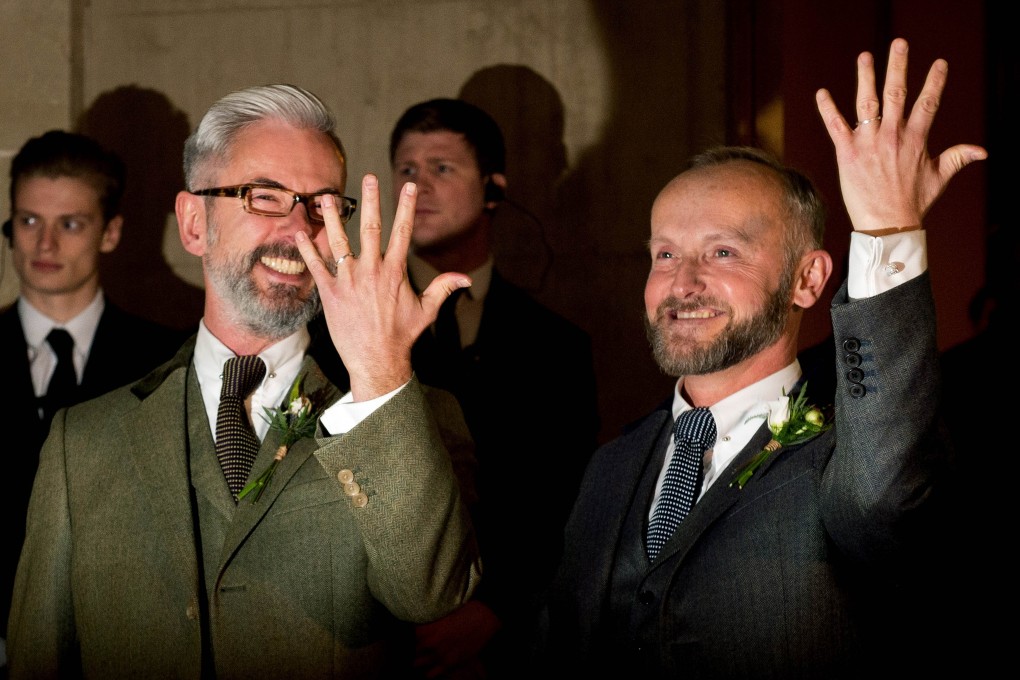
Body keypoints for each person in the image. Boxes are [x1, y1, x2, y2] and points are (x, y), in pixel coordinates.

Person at [538, 38, 986, 677]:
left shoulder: (849, 456)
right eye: (664, 254)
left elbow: (886, 492)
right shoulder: (611, 466)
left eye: (722, 252)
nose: (682, 282)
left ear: (807, 280)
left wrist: (887, 228)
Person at [6, 84, 481, 679]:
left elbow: (430, 594)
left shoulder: (413, 415)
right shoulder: (82, 443)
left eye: (323, 205)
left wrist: (381, 374)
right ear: (193, 223)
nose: (299, 230)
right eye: (265, 197)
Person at [388, 98, 599, 678]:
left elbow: (567, 498)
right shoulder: (342, 328)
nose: (417, 187)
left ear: (493, 189)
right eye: (405, 169)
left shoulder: (557, 346)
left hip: (515, 643)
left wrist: (495, 608)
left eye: (441, 168)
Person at [0, 130, 185, 667]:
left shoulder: (168, 360)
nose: (45, 244)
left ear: (111, 232)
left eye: (70, 224)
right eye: (29, 220)